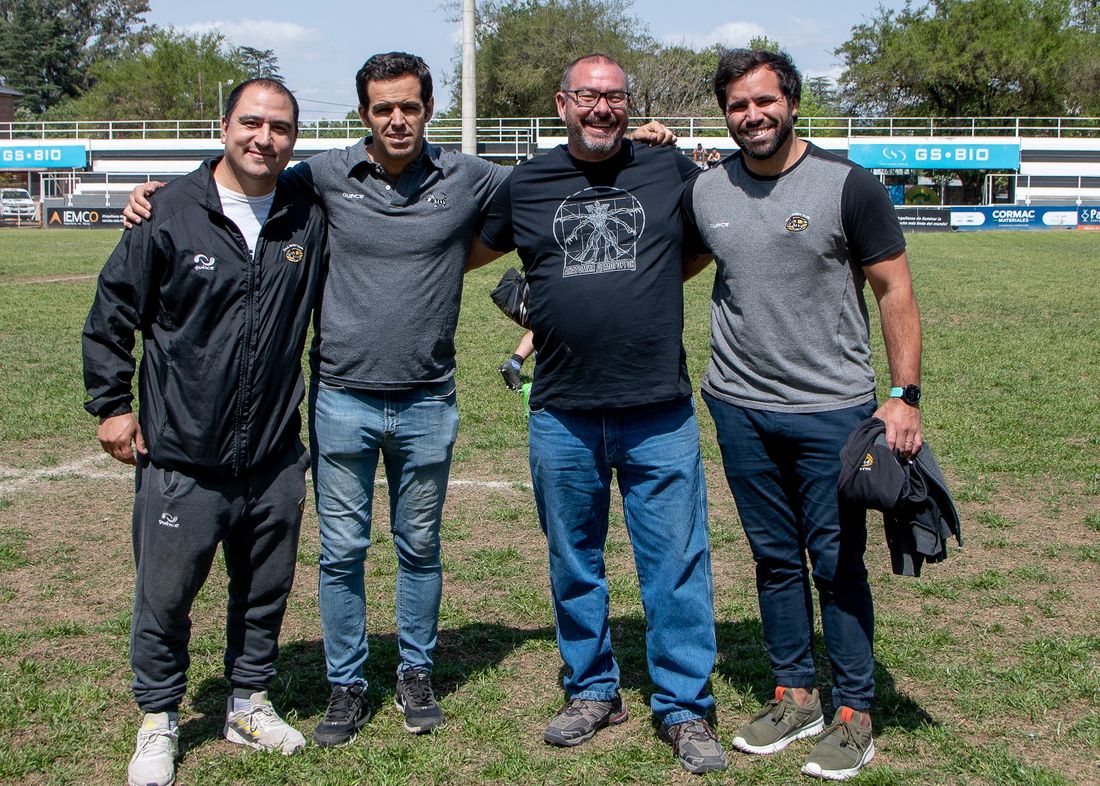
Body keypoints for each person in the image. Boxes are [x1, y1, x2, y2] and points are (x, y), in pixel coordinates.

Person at [124, 52, 677, 748]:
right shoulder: (319, 176)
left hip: (427, 401)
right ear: (364, 114)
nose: (396, 119)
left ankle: (416, 672)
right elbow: (242, 175)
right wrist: (160, 193)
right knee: (341, 552)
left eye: (409, 106)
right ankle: (347, 683)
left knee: (420, 547)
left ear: (427, 109)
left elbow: (561, 176)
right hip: (340, 399)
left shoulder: (470, 176)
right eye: (382, 107)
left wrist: (643, 143)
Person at [467, 53, 727, 775]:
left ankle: (683, 707)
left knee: (674, 564)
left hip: (659, 410)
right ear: (562, 103)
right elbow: (458, 252)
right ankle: (591, 689)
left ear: (628, 104)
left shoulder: (667, 170)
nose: (603, 109)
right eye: (589, 96)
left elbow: (704, 244)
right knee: (573, 560)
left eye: (615, 98)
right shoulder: (526, 183)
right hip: (562, 412)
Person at [683, 49, 922, 781]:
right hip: (738, 406)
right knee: (774, 559)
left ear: (791, 102)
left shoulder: (848, 185)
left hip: (832, 410)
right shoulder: (707, 191)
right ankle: (794, 695)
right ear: (724, 113)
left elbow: (894, 291)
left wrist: (903, 397)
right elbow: (675, 265)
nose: (752, 116)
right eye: (737, 106)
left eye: (764, 102)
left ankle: (853, 713)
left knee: (837, 561)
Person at [83, 79, 326, 786]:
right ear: (224, 128)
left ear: (294, 139)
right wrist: (113, 406)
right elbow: (112, 314)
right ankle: (158, 719)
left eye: (280, 127)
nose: (264, 138)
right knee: (165, 596)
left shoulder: (307, 211)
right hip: (182, 455)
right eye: (251, 122)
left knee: (264, 590)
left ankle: (248, 702)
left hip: (274, 455)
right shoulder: (166, 211)